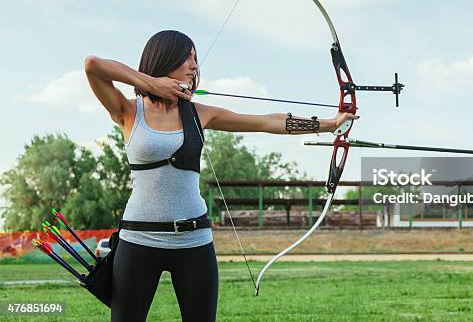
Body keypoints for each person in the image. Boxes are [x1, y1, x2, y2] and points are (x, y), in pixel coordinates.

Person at [84, 30, 355, 321]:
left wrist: (328, 124)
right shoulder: (127, 110)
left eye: (195, 59)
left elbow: (266, 122)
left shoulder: (200, 113)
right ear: (164, 58)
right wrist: (152, 84)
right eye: (187, 57)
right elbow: (93, 65)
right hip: (139, 239)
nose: (194, 65)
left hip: (194, 241)